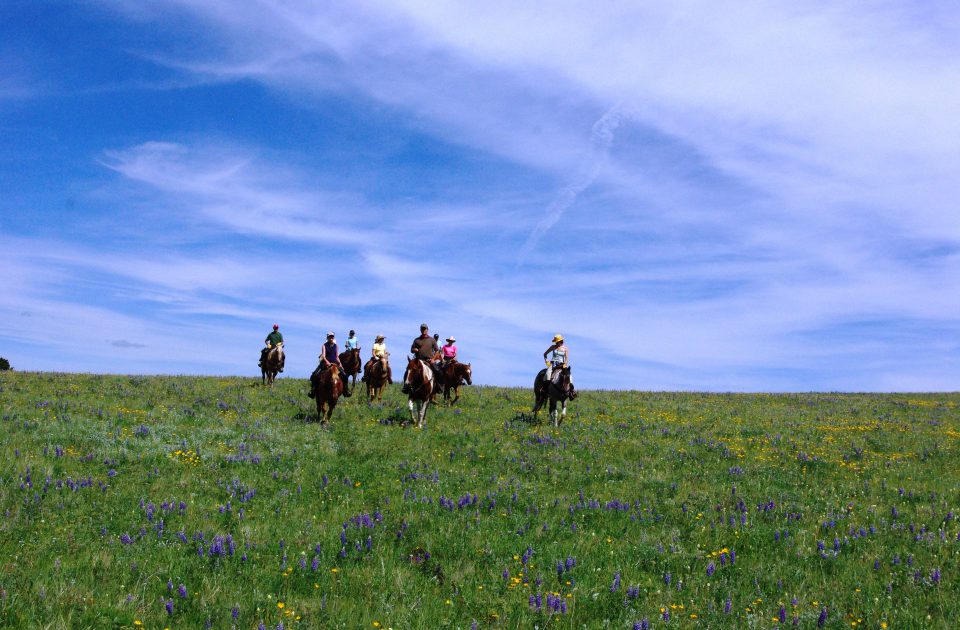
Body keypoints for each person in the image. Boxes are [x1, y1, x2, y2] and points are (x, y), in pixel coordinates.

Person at [403, 323, 440, 393]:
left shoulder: (432, 340)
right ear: (420, 330)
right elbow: (411, 350)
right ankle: (406, 387)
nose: (423, 330)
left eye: (425, 329)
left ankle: (438, 387)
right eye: (422, 329)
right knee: (408, 370)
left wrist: (433, 359)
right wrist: (414, 350)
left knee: (438, 371)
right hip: (418, 360)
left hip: (429, 360)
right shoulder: (416, 340)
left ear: (427, 330)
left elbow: (437, 351)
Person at [319, 331, 351, 396]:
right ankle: (313, 391)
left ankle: (345, 391)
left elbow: (337, 357)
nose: (331, 338)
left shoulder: (336, 346)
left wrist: (340, 364)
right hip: (326, 363)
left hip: (335, 364)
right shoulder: (324, 346)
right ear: (327, 338)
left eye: (332, 337)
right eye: (330, 337)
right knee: (315, 375)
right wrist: (327, 362)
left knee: (345, 375)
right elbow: (323, 356)